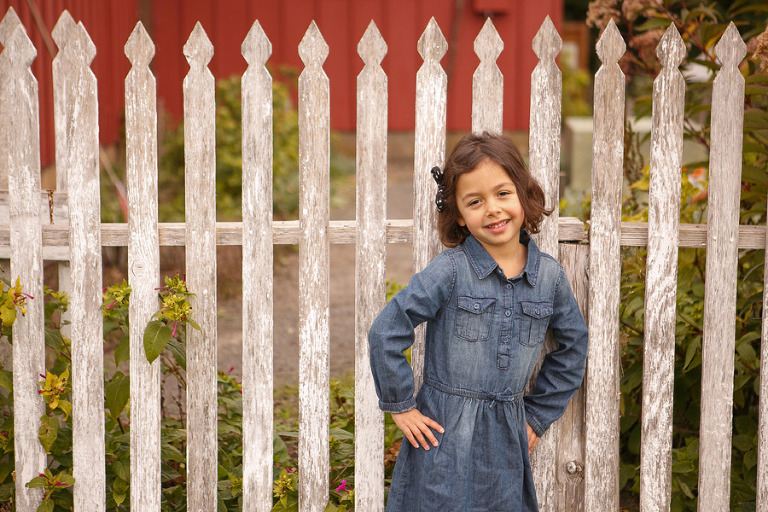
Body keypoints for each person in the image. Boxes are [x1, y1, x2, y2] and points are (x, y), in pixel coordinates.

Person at [368, 132, 588, 511]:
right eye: (475, 201)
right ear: (458, 215)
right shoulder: (451, 271)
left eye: (503, 193)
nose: (492, 209)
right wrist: (401, 405)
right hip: (442, 438)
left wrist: (537, 416)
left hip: (506, 441)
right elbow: (387, 330)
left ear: (523, 194)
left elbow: (573, 348)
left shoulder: (549, 278)